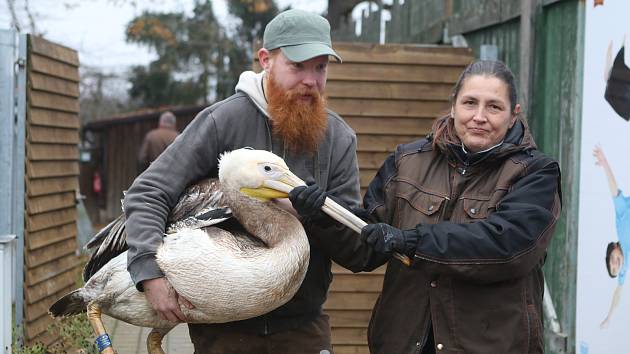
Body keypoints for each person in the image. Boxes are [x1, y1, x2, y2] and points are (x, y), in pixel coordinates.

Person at [123, 9, 361, 354]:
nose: (311, 80)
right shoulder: (222, 122)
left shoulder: (337, 138)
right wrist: (149, 273)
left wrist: (315, 216)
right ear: (266, 59)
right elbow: (150, 191)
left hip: (302, 327)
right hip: (224, 330)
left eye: (320, 67)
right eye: (298, 66)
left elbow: (354, 250)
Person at [290, 60, 562, 354]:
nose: (479, 117)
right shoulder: (406, 162)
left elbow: (508, 247)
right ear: (454, 106)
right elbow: (364, 249)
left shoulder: (535, 173)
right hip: (403, 342)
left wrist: (413, 242)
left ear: (513, 116)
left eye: (494, 107)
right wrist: (322, 215)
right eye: (470, 103)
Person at [593, 145, 628, 329]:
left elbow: (614, 192)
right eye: (616, 268)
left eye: (613, 262)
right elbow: (618, 293)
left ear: (614, 248)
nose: (617, 265)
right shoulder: (625, 266)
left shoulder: (622, 226)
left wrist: (605, 164)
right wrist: (609, 316)